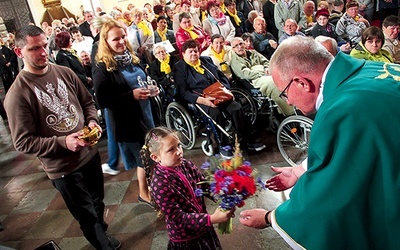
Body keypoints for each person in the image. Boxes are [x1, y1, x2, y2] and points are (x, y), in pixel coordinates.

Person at [239, 36, 400, 249]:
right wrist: (301, 170)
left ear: (301, 83)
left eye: (285, 93)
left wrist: (272, 218)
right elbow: (359, 148)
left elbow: (329, 196)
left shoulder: (339, 111)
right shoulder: (374, 68)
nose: (287, 101)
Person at [4, 25, 121, 249]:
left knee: (97, 202)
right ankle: (102, 245)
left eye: (44, 45)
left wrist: (92, 121)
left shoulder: (63, 72)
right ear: (19, 52)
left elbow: (87, 102)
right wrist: (63, 141)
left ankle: (102, 235)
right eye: (34, 48)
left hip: (89, 154)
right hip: (64, 167)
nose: (43, 52)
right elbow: (23, 142)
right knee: (85, 214)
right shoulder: (18, 93)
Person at [92, 19, 155, 205]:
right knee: (144, 159)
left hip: (146, 114)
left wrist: (152, 88)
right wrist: (131, 95)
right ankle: (145, 193)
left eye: (123, 36)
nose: (121, 41)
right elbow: (102, 100)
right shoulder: (102, 66)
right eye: (115, 39)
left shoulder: (131, 57)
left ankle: (152, 190)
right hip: (128, 120)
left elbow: (140, 79)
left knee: (150, 156)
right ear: (106, 42)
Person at [140, 126, 234, 249]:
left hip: (202, 226)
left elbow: (203, 184)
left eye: (178, 145)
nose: (179, 151)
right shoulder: (159, 185)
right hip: (187, 239)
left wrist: (220, 196)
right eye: (171, 149)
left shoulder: (185, 164)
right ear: (155, 157)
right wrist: (212, 219)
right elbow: (179, 218)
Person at [174, 39, 266, 155]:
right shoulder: (180, 67)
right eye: (190, 52)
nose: (194, 54)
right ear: (183, 54)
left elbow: (222, 77)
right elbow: (183, 92)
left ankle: (247, 140)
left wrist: (227, 90)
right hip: (200, 98)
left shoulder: (206, 60)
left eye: (196, 51)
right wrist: (203, 100)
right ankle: (223, 144)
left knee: (236, 107)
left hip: (218, 93)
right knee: (215, 113)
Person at [230, 37, 294, 116]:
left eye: (241, 44)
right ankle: (289, 112)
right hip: (254, 81)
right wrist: (261, 71)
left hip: (265, 74)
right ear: (233, 49)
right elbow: (246, 74)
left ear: (244, 44)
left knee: (283, 78)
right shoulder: (235, 60)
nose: (239, 47)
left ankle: (294, 104)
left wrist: (265, 68)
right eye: (236, 46)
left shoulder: (253, 52)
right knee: (273, 84)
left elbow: (266, 62)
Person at [55, 31, 93, 96]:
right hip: (79, 85)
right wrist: (85, 79)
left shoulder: (71, 51)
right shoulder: (61, 56)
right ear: (65, 41)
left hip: (85, 83)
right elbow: (69, 73)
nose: (72, 39)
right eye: (70, 39)